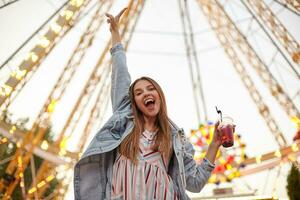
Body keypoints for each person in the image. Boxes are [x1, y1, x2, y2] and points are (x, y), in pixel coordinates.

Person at [74, 8, 229, 200]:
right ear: (134, 102)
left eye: (150, 89)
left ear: (159, 95)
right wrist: (116, 36)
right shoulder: (124, 124)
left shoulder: (176, 139)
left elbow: (195, 184)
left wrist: (214, 145)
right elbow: (121, 74)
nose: (146, 93)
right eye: (138, 92)